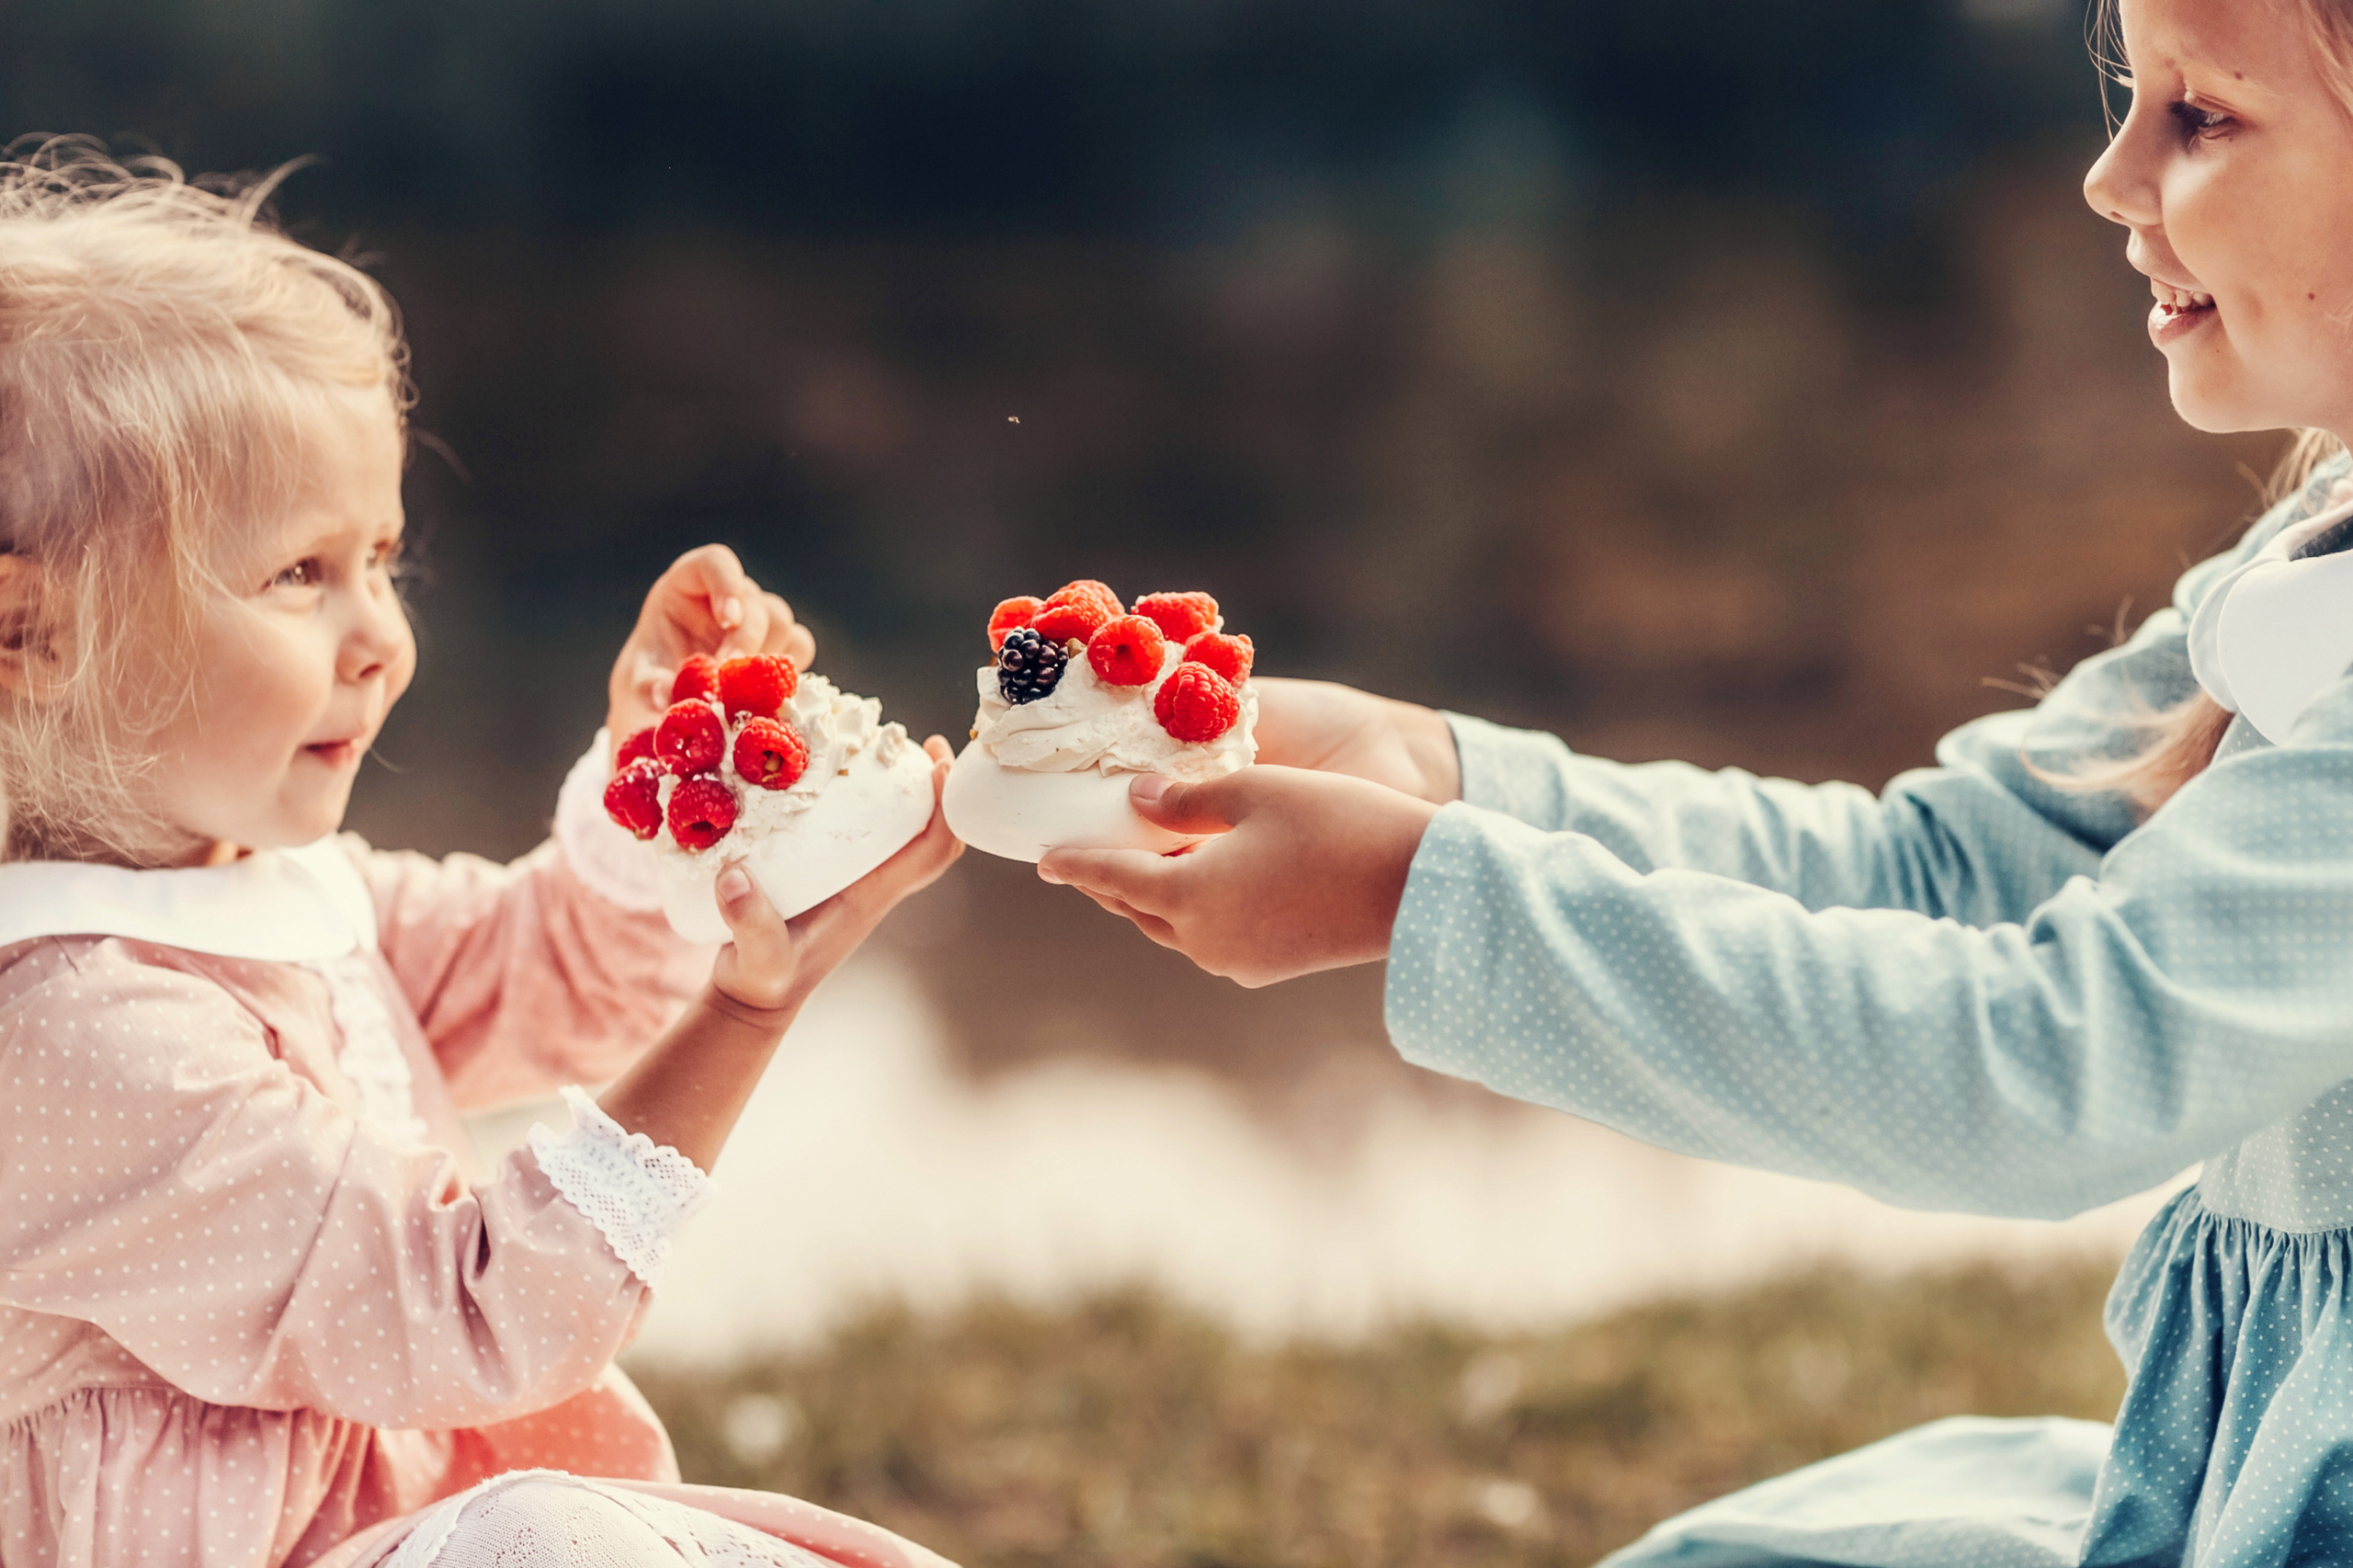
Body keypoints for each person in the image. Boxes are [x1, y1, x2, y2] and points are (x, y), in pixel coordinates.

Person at [1041, 0, 2353, 1561]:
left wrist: (1421, 897)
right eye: (2124, 100)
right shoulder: (2311, 560)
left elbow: (2046, 1064)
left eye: (2199, 118)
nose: (2108, 178)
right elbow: (1947, 869)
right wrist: (1453, 783)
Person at [0, 142, 964, 1568]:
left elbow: (551, 971)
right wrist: (745, 1012)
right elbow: (470, 1304)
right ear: (33, 636)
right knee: (550, 1544)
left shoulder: (252, 897)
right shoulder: (76, 1029)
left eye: (380, 557)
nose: (382, 633)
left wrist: (658, 773)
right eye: (299, 574)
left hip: (386, 1538)